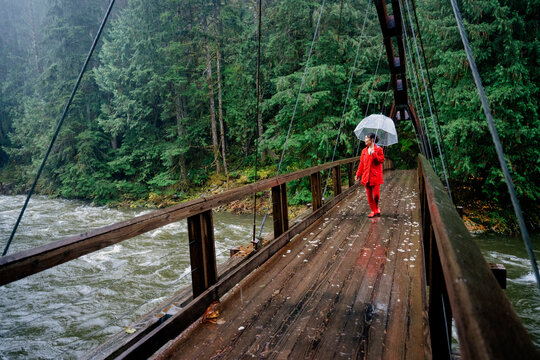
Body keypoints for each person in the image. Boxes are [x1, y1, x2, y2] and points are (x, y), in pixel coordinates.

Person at [355, 133, 384, 217]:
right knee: (369, 195)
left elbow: (381, 160)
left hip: (375, 176)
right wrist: (358, 174)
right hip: (366, 175)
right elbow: (361, 164)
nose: (365, 140)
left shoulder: (379, 149)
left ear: (372, 140)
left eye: (366, 138)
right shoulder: (364, 151)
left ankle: (376, 206)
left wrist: (374, 154)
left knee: (376, 195)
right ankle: (373, 210)